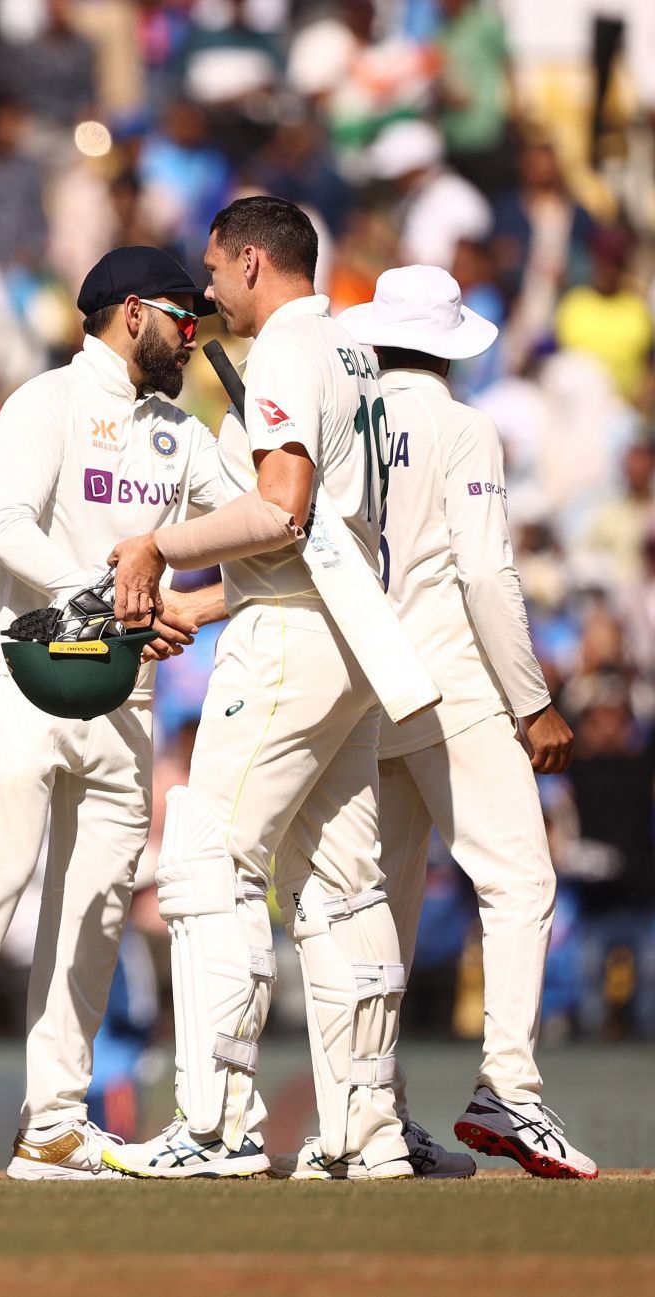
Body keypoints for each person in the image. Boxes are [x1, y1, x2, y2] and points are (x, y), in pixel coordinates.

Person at [106, 195, 412, 1180]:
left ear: (248, 261)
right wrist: (203, 601)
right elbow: (317, 531)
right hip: (350, 632)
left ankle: (217, 1124)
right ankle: (370, 1130)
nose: (208, 289)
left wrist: (159, 546)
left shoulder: (283, 346)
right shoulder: (356, 353)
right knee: (342, 881)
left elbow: (281, 510)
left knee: (206, 857)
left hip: (291, 639)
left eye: (213, 267)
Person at [0, 246, 228, 1180]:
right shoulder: (44, 403)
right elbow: (7, 530)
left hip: (124, 696)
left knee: (94, 910)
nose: (194, 334)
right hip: (34, 673)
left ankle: (52, 1121)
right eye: (183, 314)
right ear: (133, 312)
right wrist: (124, 598)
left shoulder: (181, 431)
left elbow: (255, 527)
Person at [339, 264, 597, 1178]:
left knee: (380, 912)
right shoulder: (460, 425)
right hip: (450, 684)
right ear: (449, 343)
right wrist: (532, 700)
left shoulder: (346, 419)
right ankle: (511, 1090)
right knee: (520, 882)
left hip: (364, 690)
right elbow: (486, 574)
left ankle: (372, 1114)